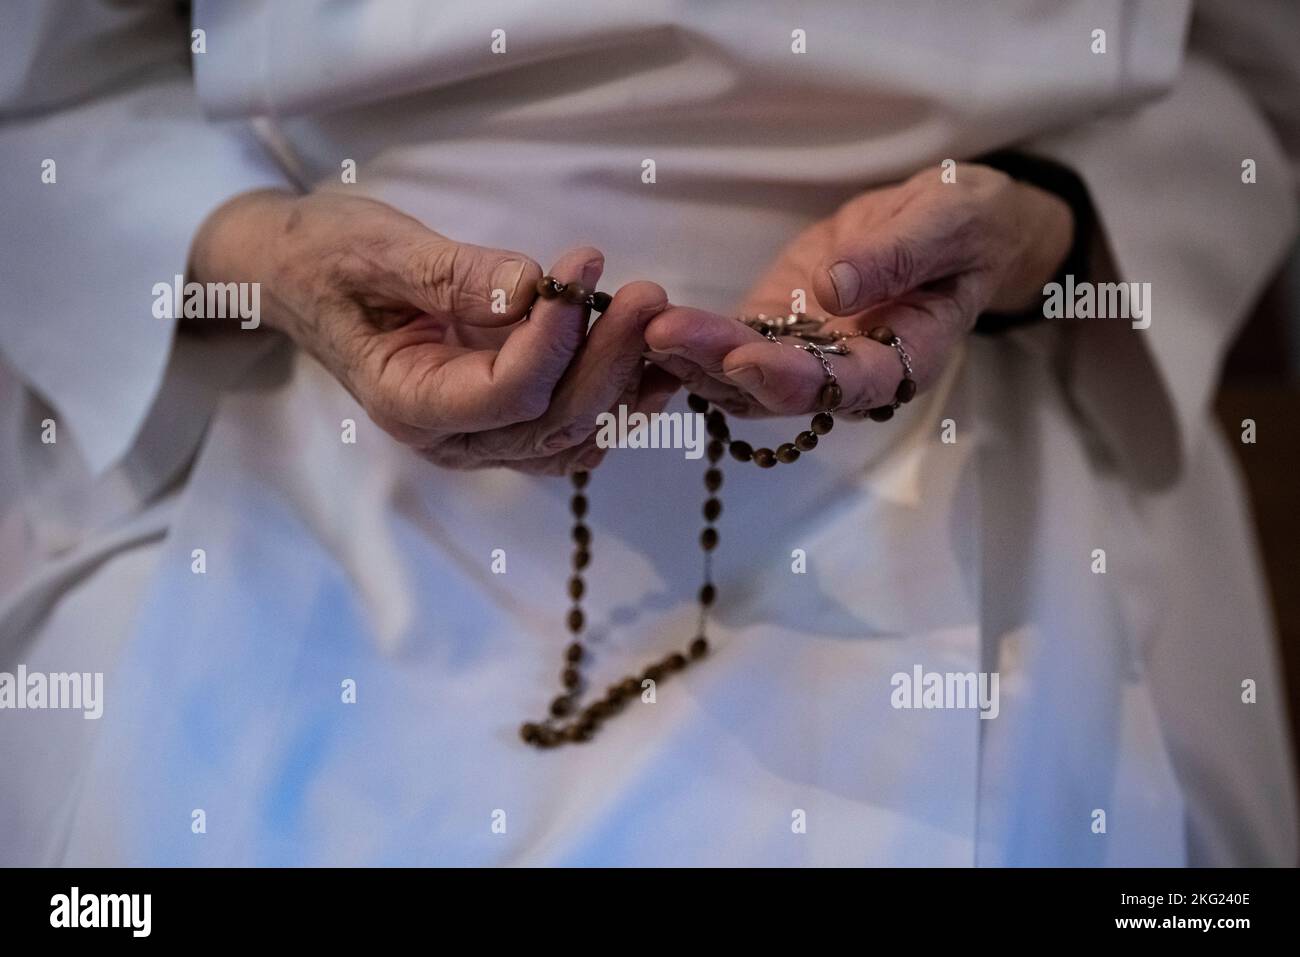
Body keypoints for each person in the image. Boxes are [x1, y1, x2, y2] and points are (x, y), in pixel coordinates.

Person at [0, 0, 1296, 866]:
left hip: (984, 451)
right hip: (294, 437)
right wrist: (254, 255)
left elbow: (1246, 82)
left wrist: (1050, 229)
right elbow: (46, 87)